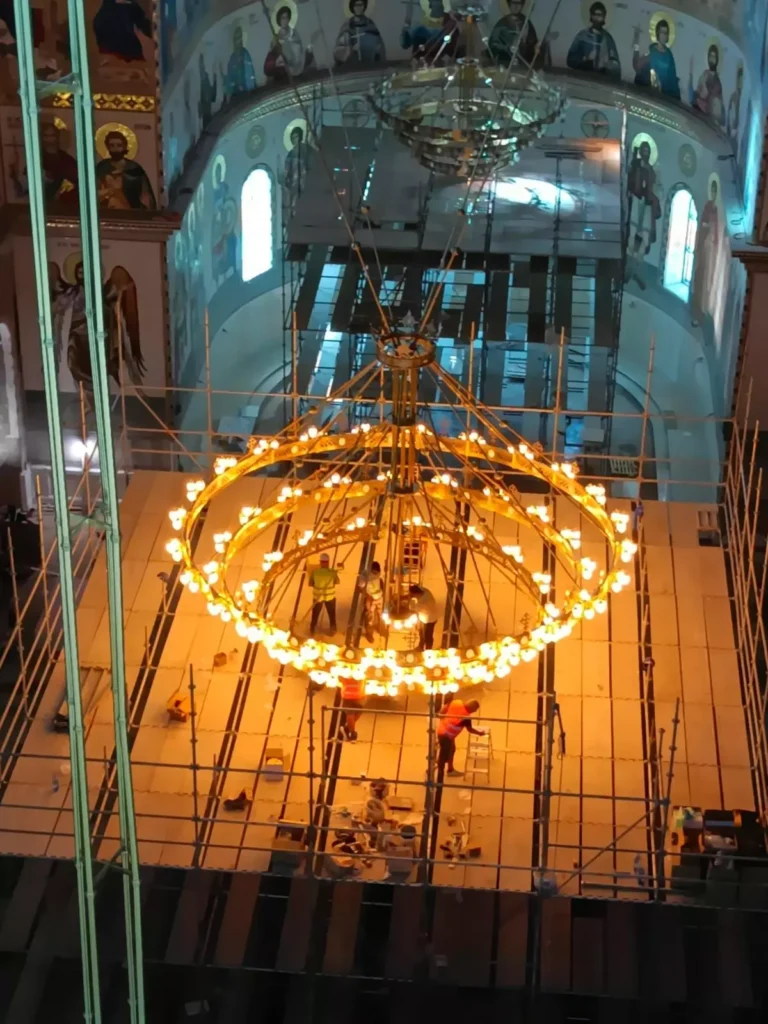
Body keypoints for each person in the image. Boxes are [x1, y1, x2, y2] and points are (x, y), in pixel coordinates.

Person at [95, 129, 156, 210]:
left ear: (124, 146)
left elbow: (145, 194)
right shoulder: (101, 167)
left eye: (119, 145)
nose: (115, 149)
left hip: (131, 213)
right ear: (107, 147)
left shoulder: (134, 168)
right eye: (112, 145)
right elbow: (93, 192)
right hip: (106, 212)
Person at [566, 1, 620, 79]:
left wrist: (607, 64)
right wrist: (584, 62)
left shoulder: (607, 39)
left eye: (600, 15)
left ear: (604, 16)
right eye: (595, 14)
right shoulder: (582, 36)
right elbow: (570, 59)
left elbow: (616, 65)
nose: (597, 18)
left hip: (601, 81)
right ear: (591, 15)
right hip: (582, 78)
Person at [401, 0, 461, 66]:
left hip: (438, 66)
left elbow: (453, 54)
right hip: (422, 65)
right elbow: (405, 44)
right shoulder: (419, 30)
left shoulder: (451, 29)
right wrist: (405, 28)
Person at [436, 698, 485, 777]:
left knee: (452, 750)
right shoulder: (466, 717)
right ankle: (440, 773)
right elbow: (470, 729)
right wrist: (480, 733)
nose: (475, 711)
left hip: (443, 731)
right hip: (447, 736)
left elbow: (445, 707)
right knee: (444, 755)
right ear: (471, 707)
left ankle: (450, 769)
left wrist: (441, 716)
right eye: (475, 709)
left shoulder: (457, 703)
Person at [632, 19, 679, 99]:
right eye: (662, 32)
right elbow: (637, 66)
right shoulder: (652, 52)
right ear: (658, 33)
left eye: (666, 33)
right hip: (650, 93)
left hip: (667, 94)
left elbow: (672, 76)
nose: (664, 35)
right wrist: (636, 44)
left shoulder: (669, 55)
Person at [264, 5, 312, 82]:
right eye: (282, 18)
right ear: (279, 20)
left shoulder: (295, 34)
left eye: (286, 17)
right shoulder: (276, 39)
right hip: (285, 77)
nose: (285, 20)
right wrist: (276, 62)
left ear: (289, 19)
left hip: (299, 71)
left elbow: (299, 51)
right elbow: (268, 65)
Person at [334, 0, 385, 67]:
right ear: (352, 7)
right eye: (356, 5)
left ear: (364, 6)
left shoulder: (370, 24)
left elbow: (379, 44)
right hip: (351, 67)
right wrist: (351, 49)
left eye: (361, 5)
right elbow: (339, 49)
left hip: (370, 65)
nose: (359, 8)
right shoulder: (347, 26)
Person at [488, 0, 538, 68]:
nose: (516, 6)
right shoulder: (502, 23)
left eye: (519, 3)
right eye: (513, 3)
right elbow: (493, 44)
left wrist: (525, 43)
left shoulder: (527, 23)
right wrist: (507, 48)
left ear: (522, 5)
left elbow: (534, 44)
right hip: (505, 64)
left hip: (523, 66)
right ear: (509, 5)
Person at [41, 121, 79, 205]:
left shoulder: (66, 159)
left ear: (57, 137)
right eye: (46, 136)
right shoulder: (36, 159)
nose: (49, 139)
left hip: (64, 205)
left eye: (52, 135)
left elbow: (78, 181)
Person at [689, 44, 725, 127]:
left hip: (713, 117)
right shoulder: (704, 75)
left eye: (714, 57)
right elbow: (698, 93)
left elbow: (719, 100)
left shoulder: (718, 81)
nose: (712, 59)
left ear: (717, 60)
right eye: (711, 56)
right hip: (702, 113)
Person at [309, 553, 339, 636]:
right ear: (328, 562)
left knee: (315, 614)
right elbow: (337, 582)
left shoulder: (315, 572)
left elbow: (310, 583)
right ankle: (333, 630)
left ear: (321, 562)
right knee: (332, 614)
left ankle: (312, 629)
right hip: (330, 597)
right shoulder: (332, 572)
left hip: (318, 597)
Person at [224, 24, 256, 99]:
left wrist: (251, 94)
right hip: (236, 96)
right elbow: (230, 78)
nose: (239, 40)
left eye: (240, 37)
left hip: (248, 95)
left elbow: (250, 76)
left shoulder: (245, 54)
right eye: (237, 38)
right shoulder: (232, 58)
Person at [358, 560, 383, 642]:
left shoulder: (378, 577)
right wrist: (368, 596)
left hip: (378, 598)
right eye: (374, 572)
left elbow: (381, 585)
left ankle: (380, 628)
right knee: (369, 617)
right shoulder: (366, 577)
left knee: (381, 615)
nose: (375, 573)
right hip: (371, 599)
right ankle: (369, 633)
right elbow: (361, 588)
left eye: (377, 572)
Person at [409, 583, 438, 650]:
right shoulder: (425, 591)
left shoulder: (423, 603)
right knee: (421, 632)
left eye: (413, 595)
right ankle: (421, 646)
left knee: (428, 635)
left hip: (429, 620)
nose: (412, 596)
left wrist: (409, 599)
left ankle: (428, 650)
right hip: (425, 617)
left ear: (416, 594)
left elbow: (411, 608)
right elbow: (419, 587)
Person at [339, 675, 365, 741]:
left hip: (358, 695)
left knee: (359, 710)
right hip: (348, 695)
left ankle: (347, 728)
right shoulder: (346, 671)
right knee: (351, 713)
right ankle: (352, 733)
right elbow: (340, 678)